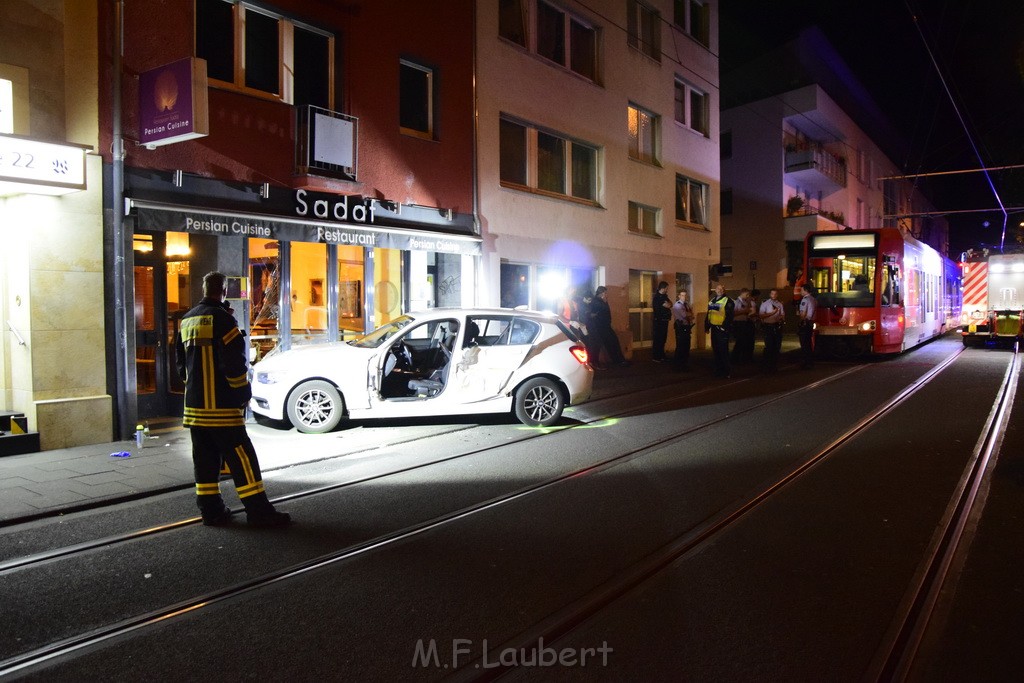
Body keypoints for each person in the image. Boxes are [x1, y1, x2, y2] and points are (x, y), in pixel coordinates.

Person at [175, 272, 292, 528]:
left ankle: (211, 511)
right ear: (224, 290)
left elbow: (181, 368)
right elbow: (235, 365)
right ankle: (259, 512)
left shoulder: (186, 320)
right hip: (223, 409)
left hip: (195, 409)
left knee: (205, 461)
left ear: (204, 289)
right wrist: (243, 396)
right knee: (243, 459)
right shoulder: (224, 320)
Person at [589, 286, 630, 368]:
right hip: (601, 326)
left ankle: (619, 360)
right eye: (605, 293)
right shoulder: (596, 301)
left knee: (613, 342)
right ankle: (617, 361)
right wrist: (605, 301)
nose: (607, 294)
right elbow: (600, 311)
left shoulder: (600, 301)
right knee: (608, 343)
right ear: (602, 293)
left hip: (605, 325)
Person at [706, 283, 734, 377]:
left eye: (721, 289)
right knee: (716, 350)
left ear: (724, 290)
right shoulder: (712, 301)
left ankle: (727, 371)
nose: (719, 290)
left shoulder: (728, 301)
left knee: (723, 351)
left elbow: (730, 316)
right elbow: (709, 314)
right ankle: (719, 370)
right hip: (714, 328)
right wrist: (707, 326)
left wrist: (724, 327)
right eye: (718, 289)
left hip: (722, 329)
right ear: (715, 290)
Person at [758, 287, 785, 372]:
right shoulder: (765, 304)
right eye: (772, 294)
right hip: (768, 326)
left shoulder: (779, 304)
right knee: (769, 346)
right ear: (770, 294)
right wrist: (772, 313)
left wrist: (781, 317)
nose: (774, 295)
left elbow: (783, 315)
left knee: (777, 346)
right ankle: (766, 365)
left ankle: (774, 365)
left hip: (777, 326)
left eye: (775, 294)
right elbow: (761, 315)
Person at [671, 289, 695, 370]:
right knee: (681, 346)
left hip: (686, 327)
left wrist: (690, 314)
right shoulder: (678, 305)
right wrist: (690, 314)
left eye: (685, 295)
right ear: (679, 296)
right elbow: (685, 315)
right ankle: (679, 364)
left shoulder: (686, 304)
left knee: (686, 346)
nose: (684, 297)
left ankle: (684, 363)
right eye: (682, 295)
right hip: (681, 327)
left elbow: (692, 315)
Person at [731, 288, 756, 364]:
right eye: (747, 294)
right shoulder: (736, 302)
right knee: (740, 341)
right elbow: (733, 313)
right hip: (738, 323)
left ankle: (742, 359)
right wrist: (744, 311)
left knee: (744, 342)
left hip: (745, 323)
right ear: (742, 293)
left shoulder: (746, 302)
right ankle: (734, 359)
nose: (748, 296)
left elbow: (750, 310)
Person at [796, 283, 817, 369]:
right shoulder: (814, 299)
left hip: (805, 323)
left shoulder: (805, 300)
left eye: (801, 290)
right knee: (808, 343)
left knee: (804, 344)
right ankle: (810, 361)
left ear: (805, 290)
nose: (800, 292)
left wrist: (800, 319)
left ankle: (806, 362)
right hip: (811, 323)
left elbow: (803, 314)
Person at [651, 281, 672, 362]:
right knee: (658, 339)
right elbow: (668, 305)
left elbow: (671, 304)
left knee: (663, 338)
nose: (667, 289)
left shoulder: (664, 296)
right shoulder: (658, 298)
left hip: (664, 320)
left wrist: (669, 304)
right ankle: (656, 357)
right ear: (663, 288)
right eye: (666, 288)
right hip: (659, 321)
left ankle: (662, 355)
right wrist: (669, 304)